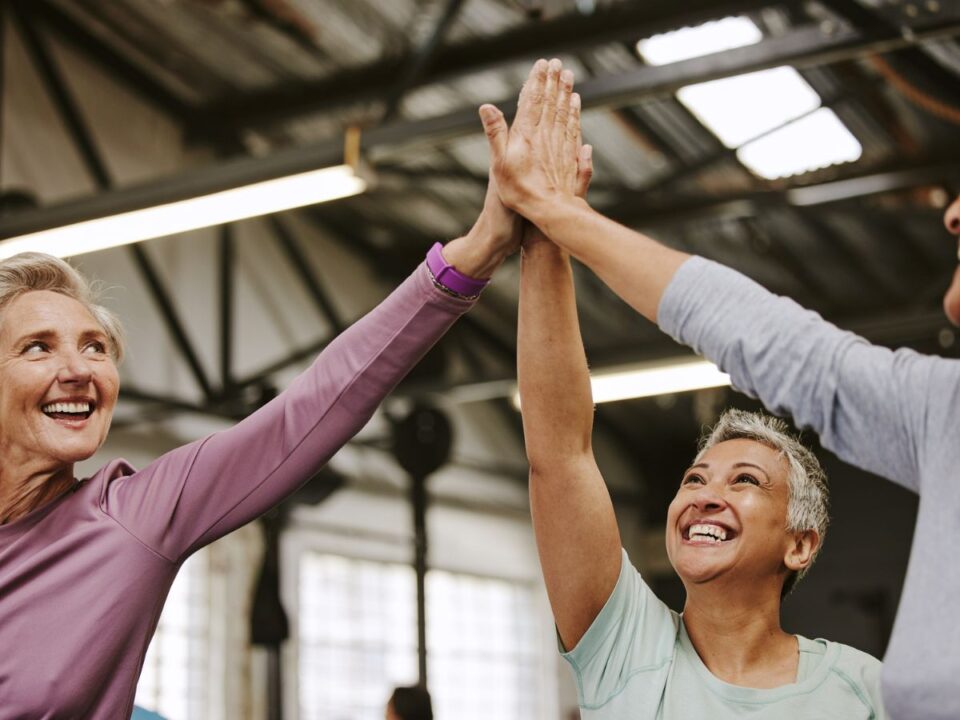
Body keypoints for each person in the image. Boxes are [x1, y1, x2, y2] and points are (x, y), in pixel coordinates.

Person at [483, 57, 959, 720]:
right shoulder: (623, 645)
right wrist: (544, 234)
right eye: (696, 479)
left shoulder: (864, 689)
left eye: (745, 482)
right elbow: (560, 453)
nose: (705, 496)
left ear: (801, 543)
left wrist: (557, 214)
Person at [0, 177, 522, 718]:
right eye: (38, 348)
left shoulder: (130, 519)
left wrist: (476, 252)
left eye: (95, 347)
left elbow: (310, 410)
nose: (80, 370)